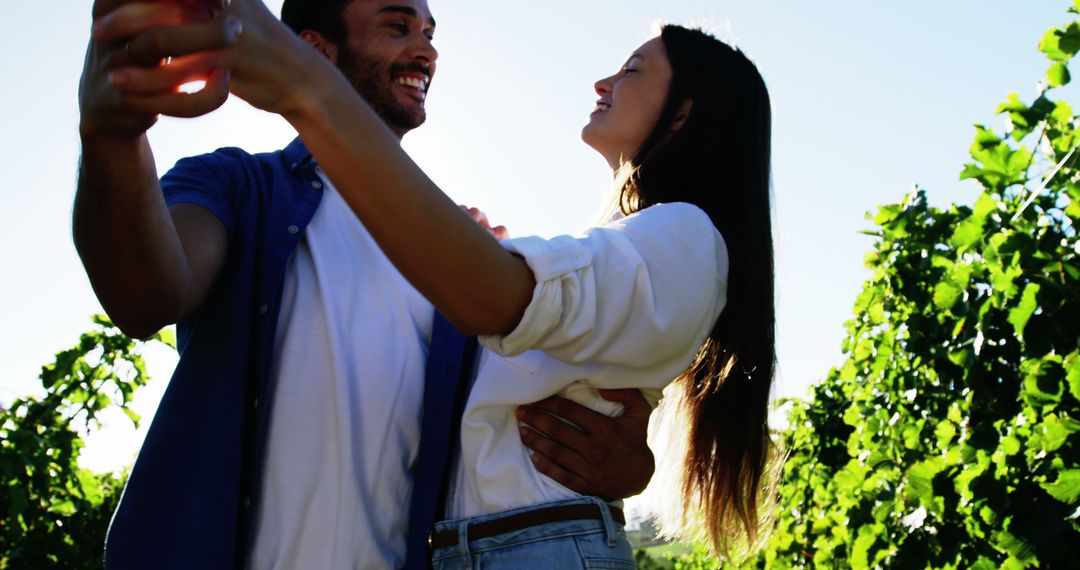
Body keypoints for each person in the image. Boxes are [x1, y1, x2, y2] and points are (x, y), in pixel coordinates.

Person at [100, 0, 780, 565]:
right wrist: (111, 133)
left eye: (430, 33)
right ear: (316, 49)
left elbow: (514, 323)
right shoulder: (238, 187)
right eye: (397, 26)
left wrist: (621, 477)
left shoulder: (457, 260)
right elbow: (145, 297)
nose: (424, 49)